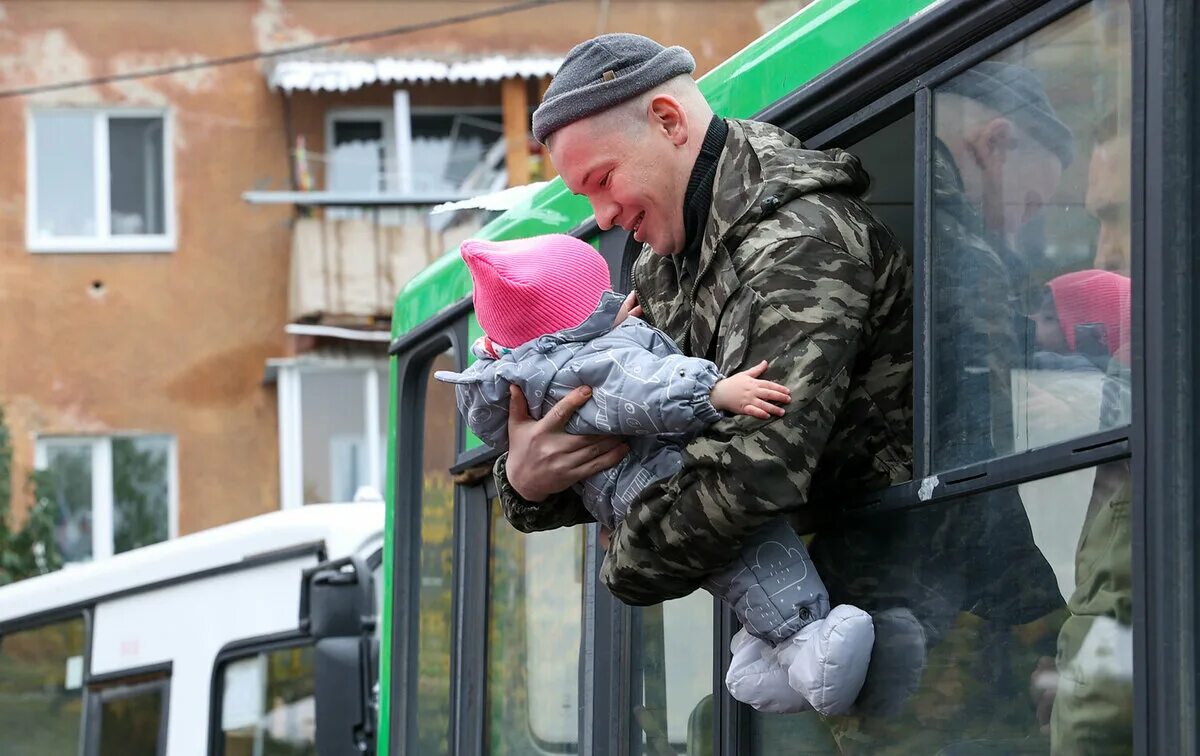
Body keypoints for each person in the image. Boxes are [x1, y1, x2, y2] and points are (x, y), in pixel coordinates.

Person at [491, 32, 922, 715]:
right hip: (821, 634)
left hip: (926, 631)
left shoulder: (799, 243)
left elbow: (751, 472)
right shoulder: (665, 266)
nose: (603, 217)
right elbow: (630, 433)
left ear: (668, 120)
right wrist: (525, 480)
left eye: (602, 180)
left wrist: (622, 563)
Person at [436, 233, 876, 715]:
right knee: (758, 555)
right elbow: (641, 385)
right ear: (573, 323)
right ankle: (809, 646)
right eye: (593, 300)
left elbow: (579, 365)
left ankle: (761, 654)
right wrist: (713, 394)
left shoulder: (517, 369)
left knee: (741, 573)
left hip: (640, 493)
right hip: (668, 479)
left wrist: (605, 327)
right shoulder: (592, 361)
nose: (606, 217)